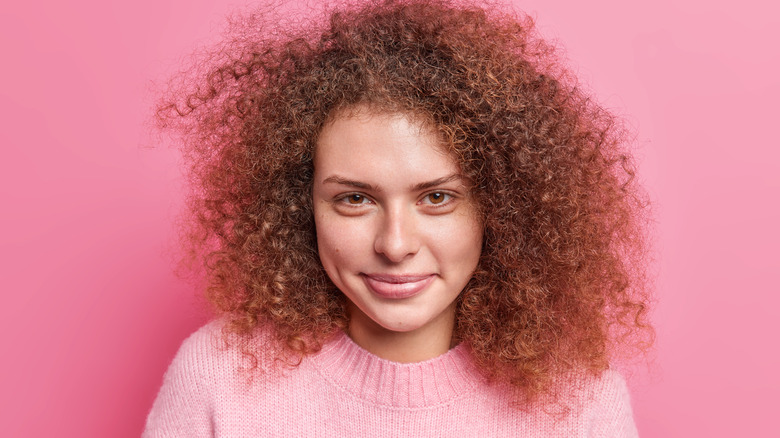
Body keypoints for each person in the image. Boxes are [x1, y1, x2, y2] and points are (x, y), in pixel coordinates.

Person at [144, 0, 652, 436]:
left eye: (436, 198)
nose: (395, 244)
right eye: (354, 199)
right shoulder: (218, 379)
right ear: (302, 208)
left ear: (498, 207)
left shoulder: (580, 402)